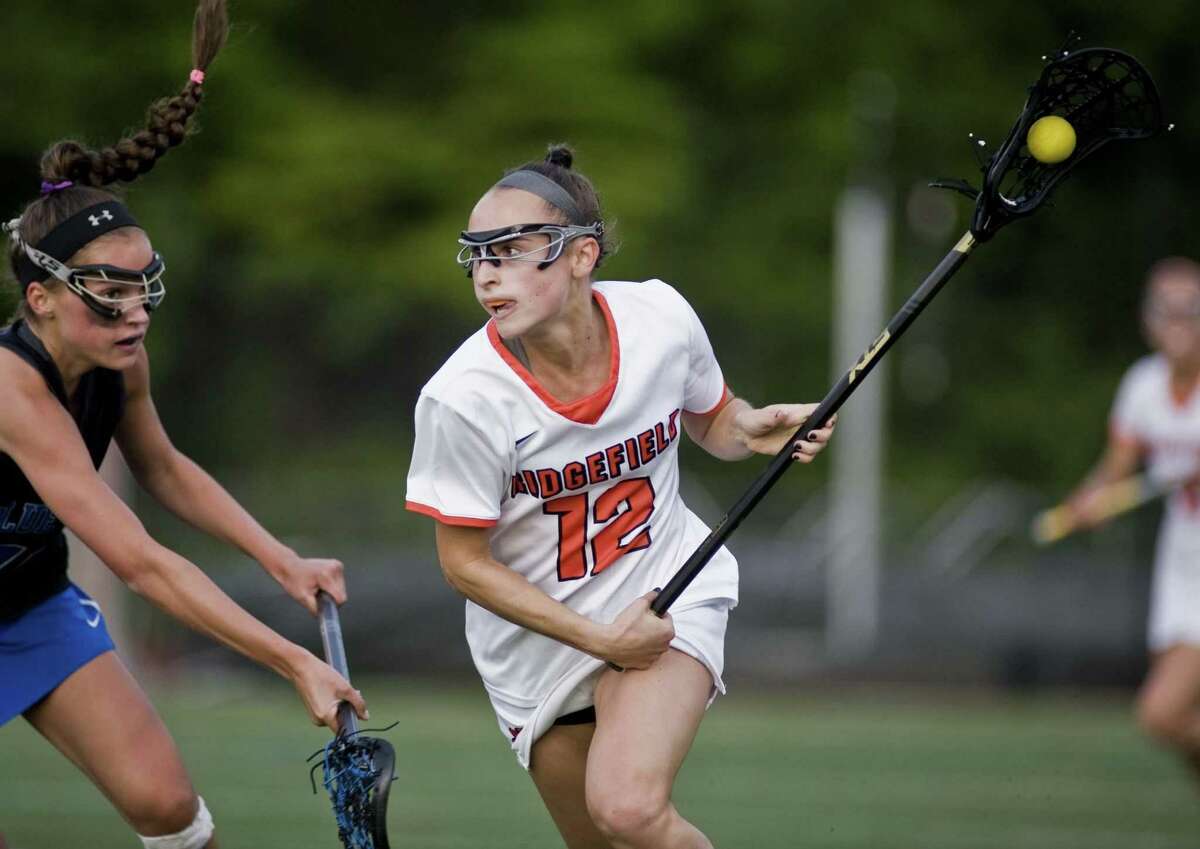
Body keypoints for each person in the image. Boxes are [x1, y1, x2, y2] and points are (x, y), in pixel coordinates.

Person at [0, 3, 367, 847]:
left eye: (142, 288)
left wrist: (282, 559)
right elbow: (138, 561)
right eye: (109, 295)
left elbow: (163, 466)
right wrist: (293, 661)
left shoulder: (119, 358)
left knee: (170, 808)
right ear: (42, 298)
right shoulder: (12, 388)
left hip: (23, 601)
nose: (134, 315)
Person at [406, 145, 835, 849]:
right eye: (478, 256)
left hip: (662, 592)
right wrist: (599, 638)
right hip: (537, 650)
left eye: (513, 251)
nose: (488, 274)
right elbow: (463, 563)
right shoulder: (463, 399)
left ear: (583, 255)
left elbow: (713, 418)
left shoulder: (659, 318)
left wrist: (748, 427)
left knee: (628, 809)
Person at [1066, 257, 1200, 784]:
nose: (1177, 321)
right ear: (1147, 318)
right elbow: (1116, 471)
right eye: (1163, 310)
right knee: (1180, 727)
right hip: (1182, 566)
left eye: (1191, 309)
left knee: (1161, 714)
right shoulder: (1143, 385)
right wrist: (1087, 503)